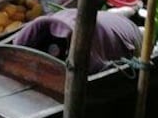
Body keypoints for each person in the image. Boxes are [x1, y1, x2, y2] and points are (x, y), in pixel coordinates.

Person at [12, 8, 141, 73]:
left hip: (126, 34)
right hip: (100, 19)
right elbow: (15, 48)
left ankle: (131, 11)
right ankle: (126, 11)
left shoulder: (89, 55)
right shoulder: (40, 27)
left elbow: (100, 67)